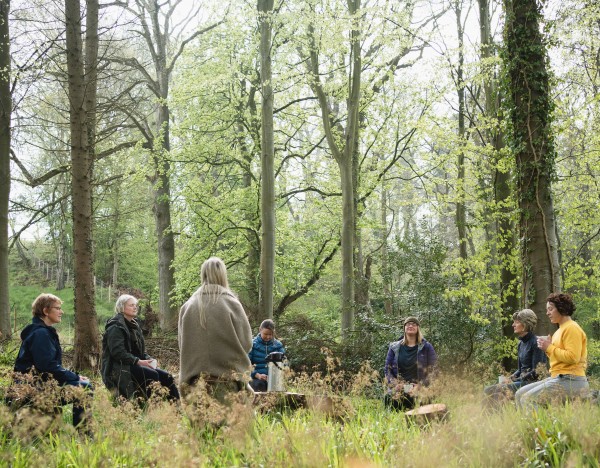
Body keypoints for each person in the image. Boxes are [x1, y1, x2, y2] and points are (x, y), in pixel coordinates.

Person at [178, 257, 253, 403]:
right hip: (228, 383)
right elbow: (247, 343)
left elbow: (183, 345)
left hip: (194, 383)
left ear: (203, 274)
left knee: (200, 426)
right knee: (233, 425)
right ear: (223, 275)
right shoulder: (232, 304)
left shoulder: (188, 306)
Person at [12, 293, 92, 428]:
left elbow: (49, 366)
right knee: (85, 388)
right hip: (34, 389)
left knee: (82, 383)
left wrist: (75, 377)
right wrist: (76, 377)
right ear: (45, 311)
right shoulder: (40, 334)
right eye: (57, 308)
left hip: (42, 383)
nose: (61, 312)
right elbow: (47, 366)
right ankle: (84, 434)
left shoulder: (43, 331)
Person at [515, 293, 589, 411]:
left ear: (561, 308)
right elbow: (559, 357)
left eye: (550, 309)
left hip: (572, 380)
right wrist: (547, 348)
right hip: (558, 377)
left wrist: (549, 347)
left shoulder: (572, 328)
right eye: (546, 310)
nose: (547, 313)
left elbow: (573, 357)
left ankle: (540, 429)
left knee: (527, 399)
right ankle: (530, 427)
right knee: (519, 394)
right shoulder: (560, 330)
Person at [101, 294, 179, 401]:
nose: (135, 307)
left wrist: (148, 359)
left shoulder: (134, 325)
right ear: (122, 307)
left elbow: (140, 351)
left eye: (136, 305)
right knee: (152, 374)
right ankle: (151, 406)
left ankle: (176, 409)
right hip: (120, 367)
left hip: (134, 363)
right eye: (131, 305)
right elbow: (118, 353)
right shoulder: (115, 326)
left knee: (167, 376)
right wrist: (138, 361)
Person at [484, 309, 547, 403]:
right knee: (488, 389)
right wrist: (510, 378)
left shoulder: (536, 342)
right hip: (521, 381)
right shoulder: (520, 344)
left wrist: (517, 379)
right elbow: (520, 369)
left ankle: (495, 416)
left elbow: (536, 372)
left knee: (497, 390)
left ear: (525, 324)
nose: (513, 325)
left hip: (532, 383)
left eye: (516, 322)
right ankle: (490, 417)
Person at [384, 316, 437, 410]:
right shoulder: (394, 347)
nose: (410, 326)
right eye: (408, 324)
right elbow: (387, 370)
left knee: (423, 401)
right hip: (401, 386)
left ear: (418, 328)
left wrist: (421, 385)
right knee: (389, 397)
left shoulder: (427, 347)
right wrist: (396, 385)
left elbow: (434, 371)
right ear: (404, 328)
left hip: (418, 386)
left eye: (414, 324)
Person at [248, 319, 286, 392]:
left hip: (274, 379)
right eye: (266, 334)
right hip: (256, 378)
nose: (268, 337)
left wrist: (276, 376)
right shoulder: (252, 344)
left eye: (271, 334)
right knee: (259, 385)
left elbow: (285, 362)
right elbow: (246, 364)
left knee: (279, 389)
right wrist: (257, 375)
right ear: (260, 330)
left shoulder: (278, 345)